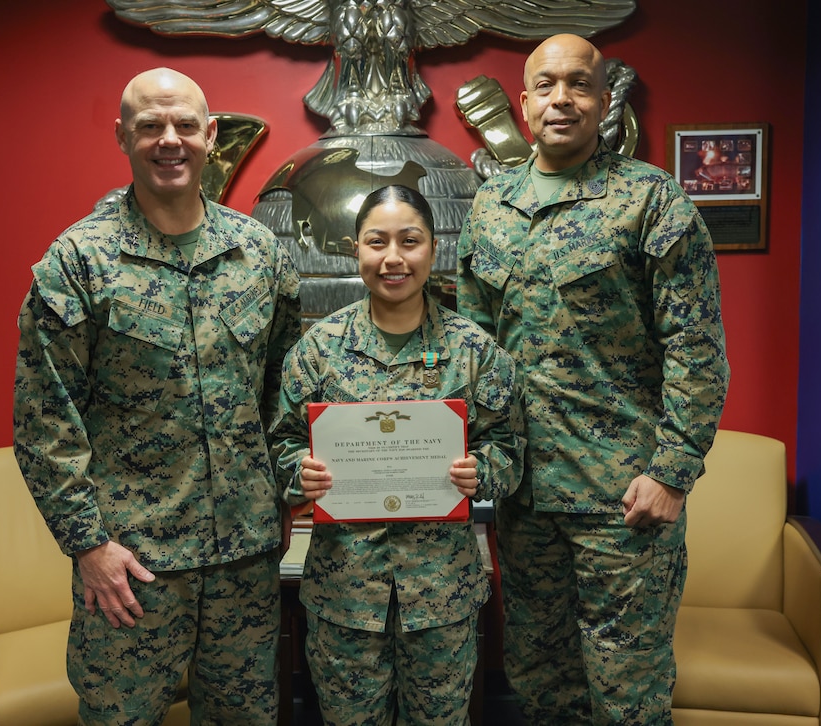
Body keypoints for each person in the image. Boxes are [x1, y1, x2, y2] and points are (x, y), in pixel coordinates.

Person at [13, 67, 302, 725]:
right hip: (132, 567)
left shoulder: (258, 253)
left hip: (244, 558)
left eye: (183, 125)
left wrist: (282, 494)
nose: (169, 140)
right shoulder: (79, 261)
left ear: (211, 134)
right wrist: (88, 545)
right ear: (123, 136)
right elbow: (43, 418)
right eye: (150, 126)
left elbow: (282, 392)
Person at [456, 34, 731, 725]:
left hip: (623, 503)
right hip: (526, 505)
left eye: (579, 84)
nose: (561, 99)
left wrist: (672, 473)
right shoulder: (491, 210)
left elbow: (696, 349)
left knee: (627, 699)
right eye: (545, 86)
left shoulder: (650, 202)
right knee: (542, 689)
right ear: (522, 104)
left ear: (603, 101)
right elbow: (473, 354)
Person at [269, 184, 525, 725]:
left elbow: (509, 446)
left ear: (433, 249)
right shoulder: (318, 350)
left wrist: (486, 473)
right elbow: (279, 442)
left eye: (409, 242)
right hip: (345, 597)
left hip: (441, 597)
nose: (393, 258)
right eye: (376, 242)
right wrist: (300, 473)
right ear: (355, 250)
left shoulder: (474, 351)